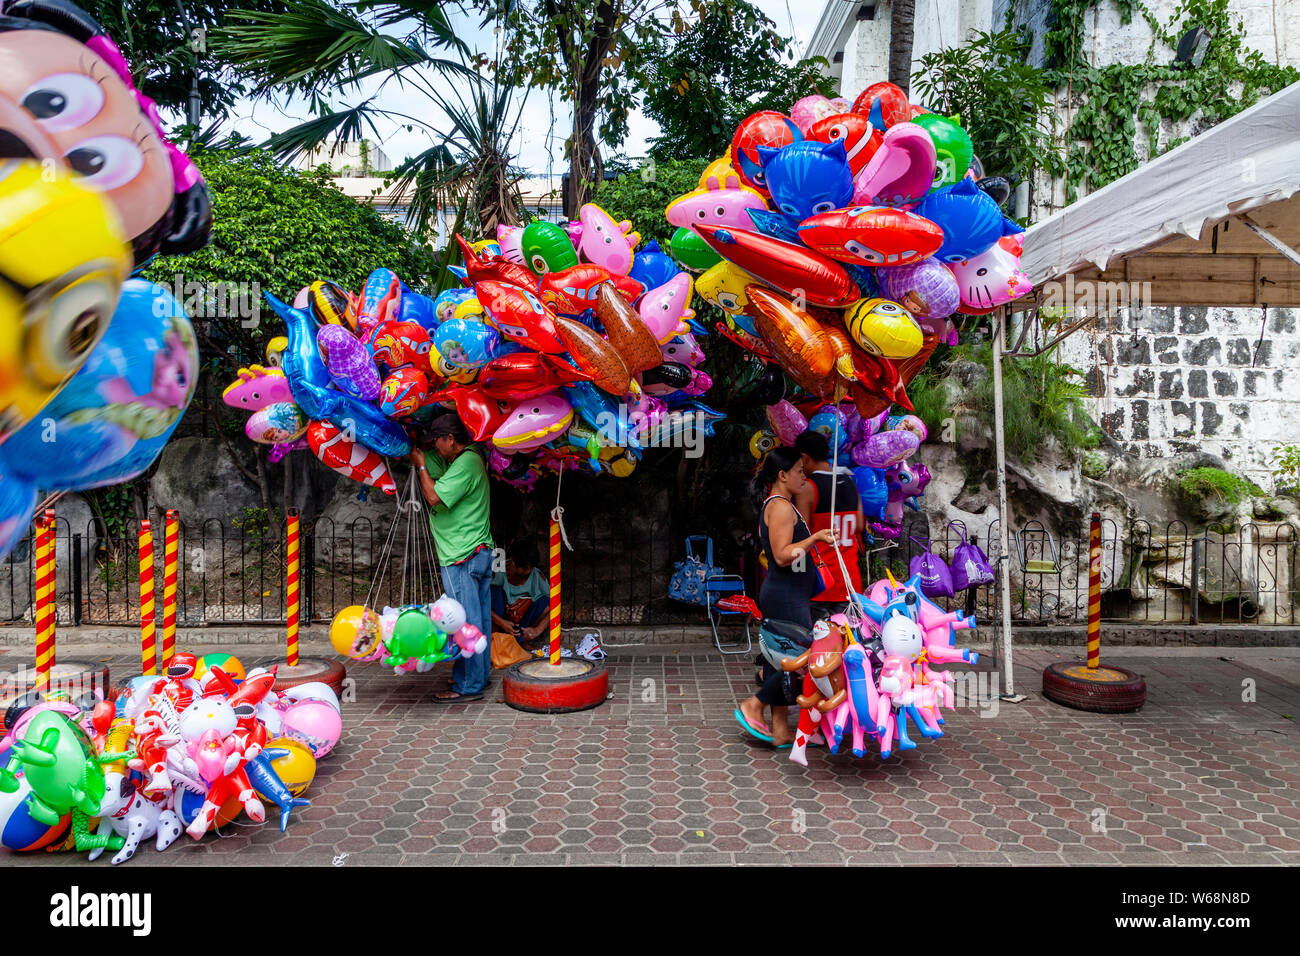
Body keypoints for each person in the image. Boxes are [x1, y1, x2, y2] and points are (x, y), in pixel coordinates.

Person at [734, 446, 836, 748]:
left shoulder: (783, 505)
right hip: (786, 598)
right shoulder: (779, 506)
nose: (803, 477)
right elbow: (781, 556)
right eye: (799, 472)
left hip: (789, 595)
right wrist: (815, 538)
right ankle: (754, 704)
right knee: (802, 664)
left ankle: (780, 730)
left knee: (781, 664)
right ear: (782, 475)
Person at [409, 413, 493, 702]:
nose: (435, 447)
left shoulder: (467, 463)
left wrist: (420, 466)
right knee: (478, 620)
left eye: (438, 441)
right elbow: (432, 460)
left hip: (462, 555)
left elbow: (434, 497)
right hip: (474, 551)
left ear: (451, 439)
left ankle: (469, 685)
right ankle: (476, 676)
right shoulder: (467, 457)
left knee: (463, 623)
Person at [793, 429, 864, 615]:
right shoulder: (849, 482)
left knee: (817, 640)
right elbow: (859, 526)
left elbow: (802, 532)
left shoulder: (808, 487)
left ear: (804, 457)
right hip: (849, 579)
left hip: (820, 581)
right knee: (848, 640)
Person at [491, 539, 549, 645]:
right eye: (525, 568)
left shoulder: (537, 576)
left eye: (531, 567)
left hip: (522, 626)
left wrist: (537, 630)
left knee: (545, 601)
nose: (529, 571)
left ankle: (520, 642)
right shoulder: (499, 571)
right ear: (513, 562)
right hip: (500, 621)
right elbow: (482, 602)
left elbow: (555, 606)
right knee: (494, 592)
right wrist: (501, 622)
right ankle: (495, 641)